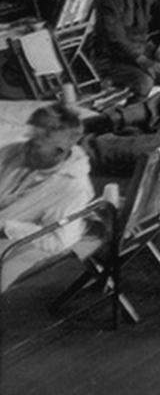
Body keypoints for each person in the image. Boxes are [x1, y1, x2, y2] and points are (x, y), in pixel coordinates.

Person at [0, 105, 95, 293]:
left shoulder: (73, 187)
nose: (25, 146)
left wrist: (7, 227)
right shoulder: (15, 151)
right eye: (28, 137)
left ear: (59, 151)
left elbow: (59, 240)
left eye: (35, 144)